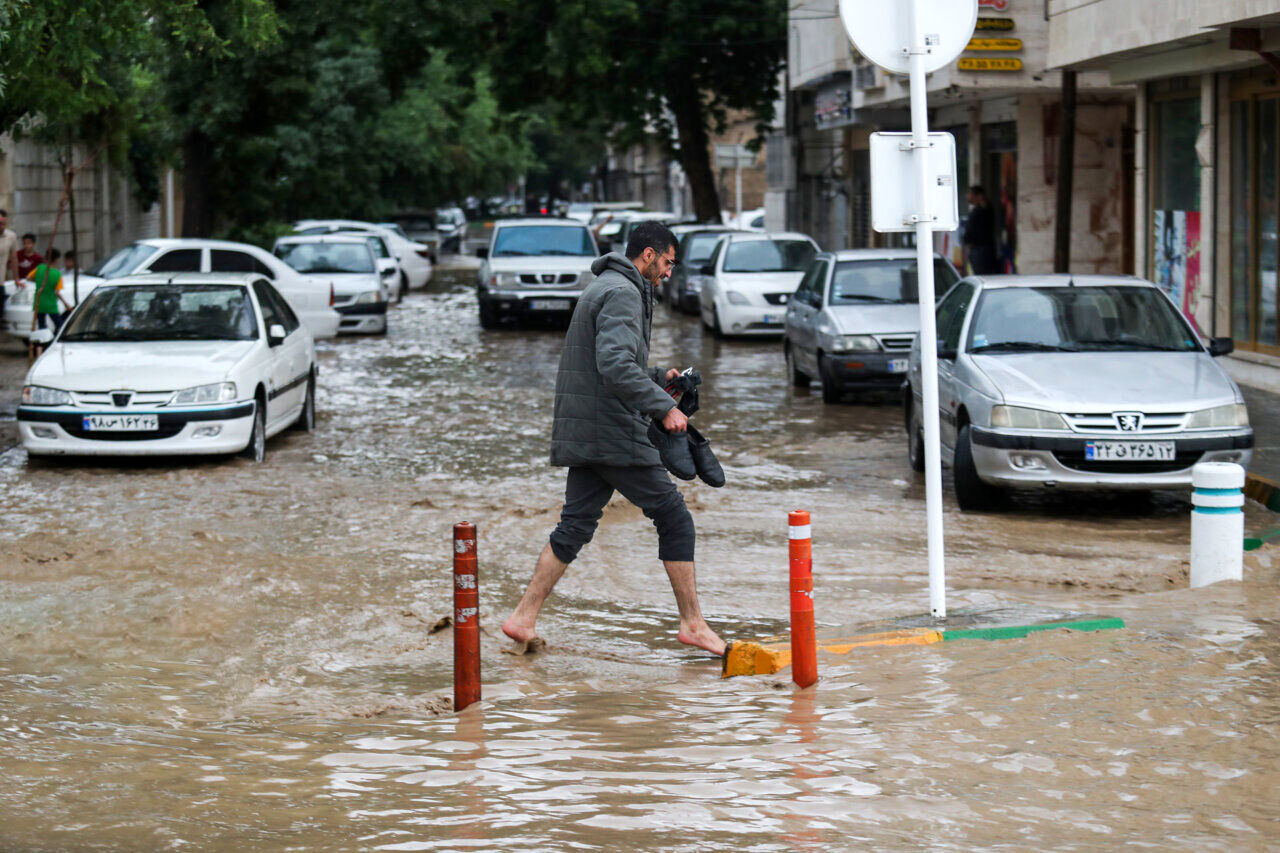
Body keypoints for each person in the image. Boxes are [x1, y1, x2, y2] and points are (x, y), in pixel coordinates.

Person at [502, 220, 727, 657]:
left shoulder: (610, 285)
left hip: (589, 427)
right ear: (648, 255)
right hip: (610, 430)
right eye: (667, 263)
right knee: (674, 516)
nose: (668, 273)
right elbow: (614, 367)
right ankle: (693, 624)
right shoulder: (623, 293)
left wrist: (659, 376)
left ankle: (522, 617)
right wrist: (665, 407)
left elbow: (615, 362)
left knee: (576, 525)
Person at [28, 249, 71, 356]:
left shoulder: (39, 268)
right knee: (60, 325)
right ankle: (55, 342)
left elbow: (28, 278)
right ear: (56, 259)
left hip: (39, 303)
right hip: (51, 304)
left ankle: (41, 349)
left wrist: (38, 281)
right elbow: (57, 292)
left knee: (42, 326)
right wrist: (66, 304)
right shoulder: (57, 274)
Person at [963, 185, 999, 276]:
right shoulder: (975, 209)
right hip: (975, 248)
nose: (968, 196)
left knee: (983, 272)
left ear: (979, 196)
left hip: (982, 249)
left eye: (970, 194)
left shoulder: (985, 209)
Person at [0, 210, 19, 318]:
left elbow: (14, 258)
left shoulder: (11, 236)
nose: (1, 226)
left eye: (3, 224)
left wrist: (16, 278)